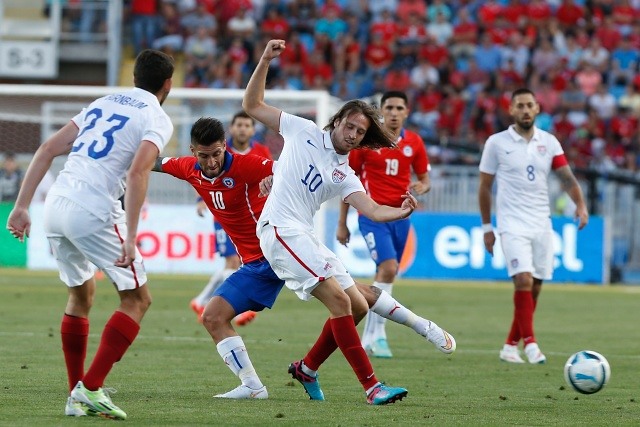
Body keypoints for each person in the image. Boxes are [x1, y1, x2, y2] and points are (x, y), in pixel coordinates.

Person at [243, 39, 455, 405]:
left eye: (360, 132)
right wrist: (264, 60)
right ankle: (373, 388)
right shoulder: (302, 129)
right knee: (342, 303)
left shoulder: (345, 173)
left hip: (302, 235)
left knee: (358, 305)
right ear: (337, 120)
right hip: (279, 230)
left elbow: (372, 210)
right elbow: (252, 105)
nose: (353, 134)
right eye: (350, 126)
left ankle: (307, 368)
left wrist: (402, 211)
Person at [6, 49, 175, 419]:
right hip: (94, 210)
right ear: (168, 84)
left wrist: (22, 206)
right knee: (137, 299)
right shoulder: (157, 117)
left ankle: (74, 398)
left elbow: (49, 148)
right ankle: (91, 387)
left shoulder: (103, 102)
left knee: (80, 295)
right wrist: (130, 236)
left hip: (55, 205)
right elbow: (137, 174)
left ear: (134, 78)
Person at [478, 87, 589, 365]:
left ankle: (508, 345)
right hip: (512, 224)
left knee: (536, 286)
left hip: (541, 222)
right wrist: (486, 227)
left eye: (530, 105)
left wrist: (581, 204)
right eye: (520, 106)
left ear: (537, 109)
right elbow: (484, 187)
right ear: (511, 110)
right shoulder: (496, 142)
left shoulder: (549, 142)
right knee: (523, 280)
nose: (525, 110)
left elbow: (566, 177)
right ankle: (531, 344)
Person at [336, 90, 432, 358]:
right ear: (382, 111)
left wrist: (419, 187)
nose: (393, 112)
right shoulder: (367, 143)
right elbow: (348, 181)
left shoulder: (414, 142)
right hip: (373, 216)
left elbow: (425, 179)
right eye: (388, 107)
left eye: (399, 108)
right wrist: (342, 223)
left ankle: (372, 336)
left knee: (388, 272)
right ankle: (378, 336)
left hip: (400, 217)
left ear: (406, 112)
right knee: (388, 268)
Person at [189, 111, 272, 327]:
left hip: (250, 219)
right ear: (231, 129)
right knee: (232, 262)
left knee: (241, 263)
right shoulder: (217, 152)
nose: (243, 129)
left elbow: (271, 178)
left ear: (253, 130)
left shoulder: (261, 152)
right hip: (223, 215)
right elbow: (204, 176)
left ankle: (201, 300)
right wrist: (200, 200)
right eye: (239, 125)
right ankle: (231, 310)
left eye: (247, 125)